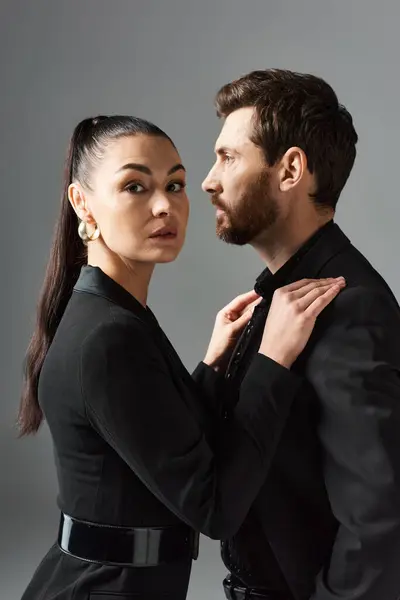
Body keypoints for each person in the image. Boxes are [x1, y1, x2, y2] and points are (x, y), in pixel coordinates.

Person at [17, 115, 343, 600]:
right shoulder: (108, 337)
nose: (164, 205)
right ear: (82, 203)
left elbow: (161, 446)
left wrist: (212, 366)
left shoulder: (113, 314)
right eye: (134, 186)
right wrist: (273, 360)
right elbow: (214, 508)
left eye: (175, 184)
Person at [201, 68, 400, 600]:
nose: (208, 180)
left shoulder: (349, 308)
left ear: (290, 169)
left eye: (228, 157)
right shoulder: (281, 295)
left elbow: (378, 523)